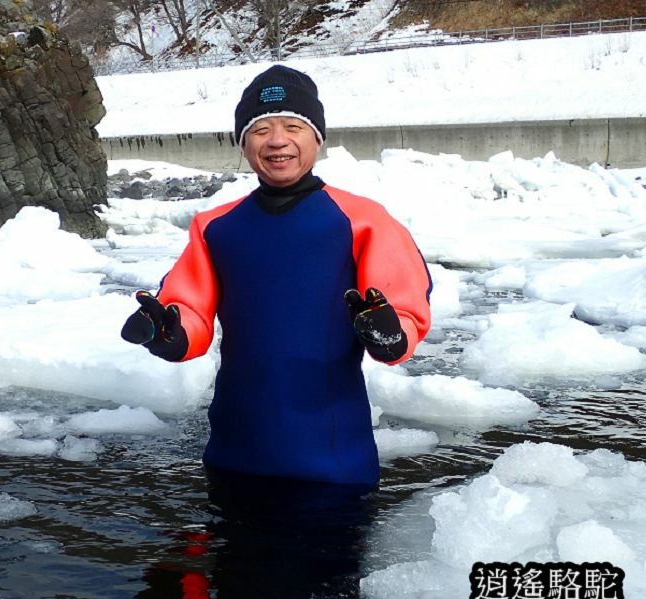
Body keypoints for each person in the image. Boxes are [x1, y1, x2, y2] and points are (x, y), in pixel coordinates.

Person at [121, 64, 432, 488]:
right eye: (260, 129)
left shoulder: (362, 220)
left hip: (333, 466)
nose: (277, 140)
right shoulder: (216, 226)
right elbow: (189, 308)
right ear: (243, 143)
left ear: (317, 139)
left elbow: (403, 309)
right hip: (233, 454)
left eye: (293, 126)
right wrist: (169, 333)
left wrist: (390, 333)